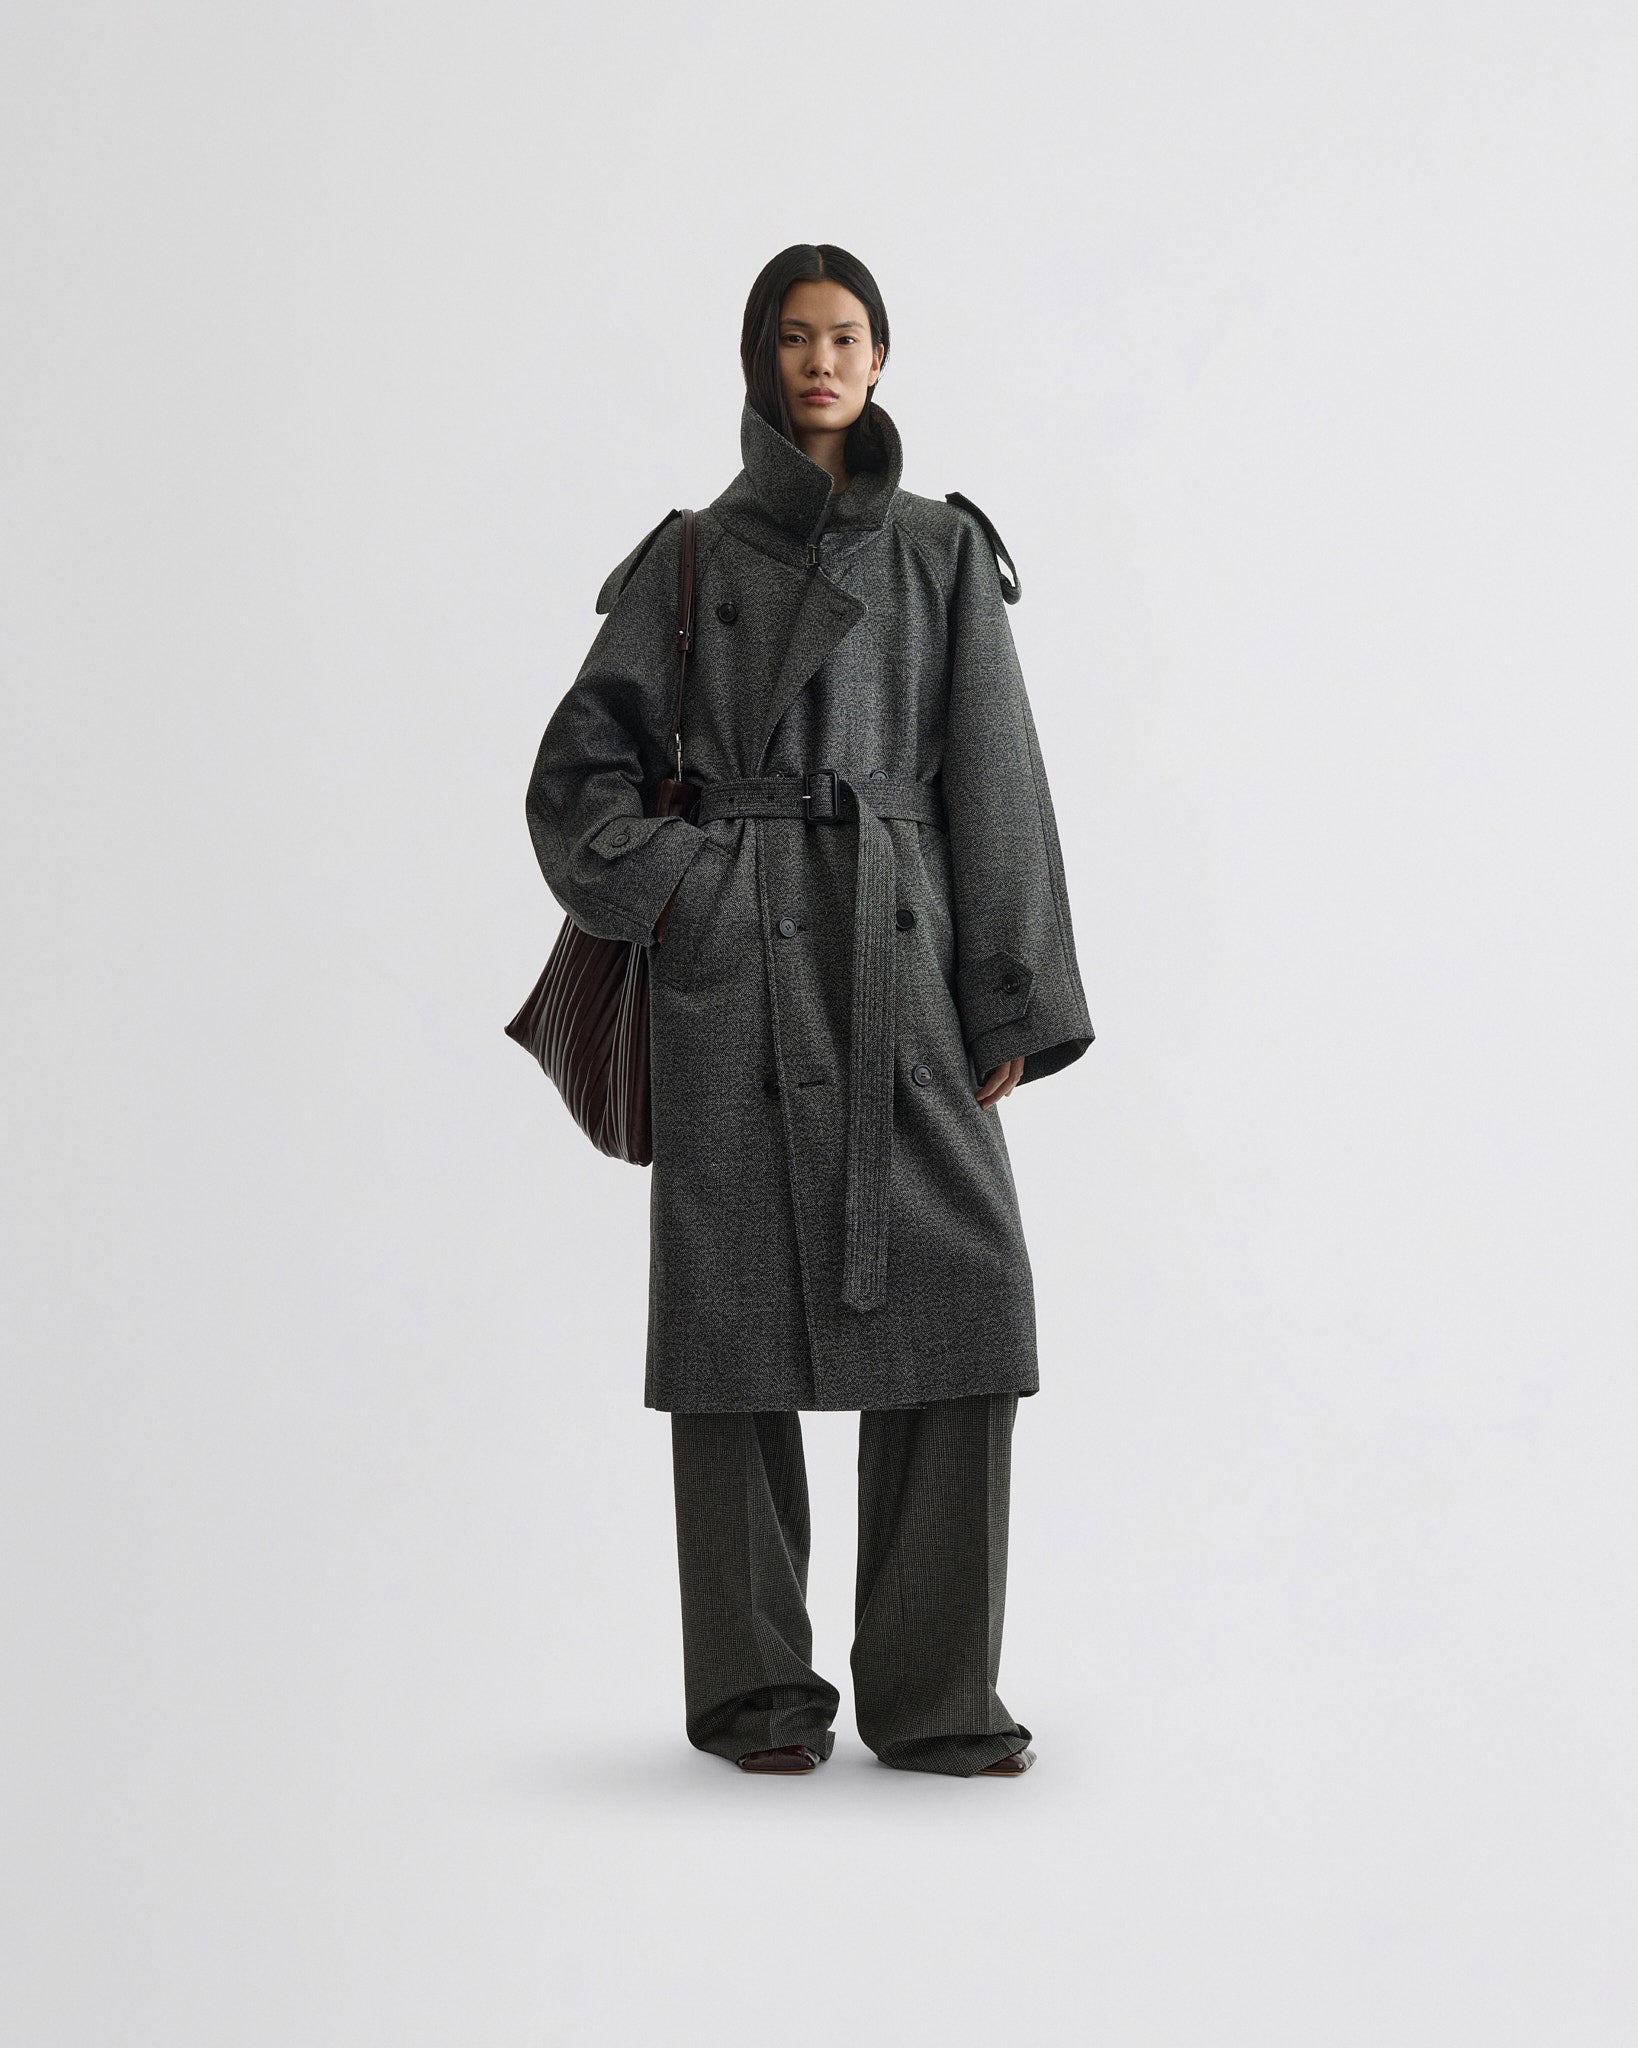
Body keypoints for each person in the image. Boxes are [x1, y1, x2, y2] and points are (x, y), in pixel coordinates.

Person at [524, 243, 1094, 1778]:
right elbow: (574, 776)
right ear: (758, 360)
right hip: (732, 982)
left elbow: (998, 779)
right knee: (728, 1339)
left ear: (881, 358)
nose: (822, 361)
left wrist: (1008, 998)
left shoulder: (940, 550)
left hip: (896, 967)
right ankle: (756, 1695)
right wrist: (692, 886)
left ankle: (933, 1690)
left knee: (969, 1313)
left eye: (846, 336)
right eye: (794, 337)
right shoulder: (687, 560)